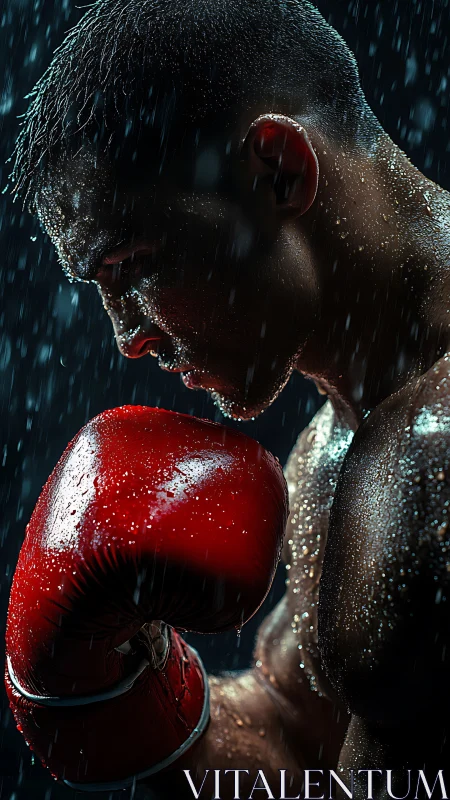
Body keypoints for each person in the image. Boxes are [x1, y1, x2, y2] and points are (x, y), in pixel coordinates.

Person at [8, 0, 450, 796]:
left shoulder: (432, 454)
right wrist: (129, 697)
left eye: (130, 268)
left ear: (277, 170)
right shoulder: (334, 448)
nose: (127, 340)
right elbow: (300, 729)